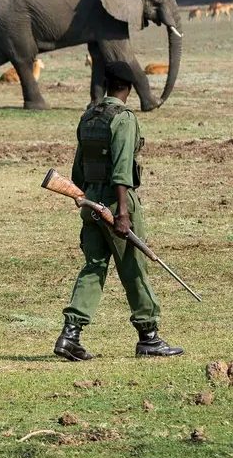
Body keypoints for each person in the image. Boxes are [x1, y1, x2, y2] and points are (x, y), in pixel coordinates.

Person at [54, 61, 184, 361]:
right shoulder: (123, 119)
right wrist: (123, 213)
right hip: (116, 203)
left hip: (91, 203)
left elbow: (77, 171)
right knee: (134, 267)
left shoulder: (89, 116)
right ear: (129, 87)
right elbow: (123, 171)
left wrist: (88, 199)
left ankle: (70, 335)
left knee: (94, 267)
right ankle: (149, 337)